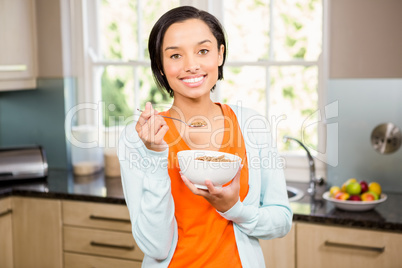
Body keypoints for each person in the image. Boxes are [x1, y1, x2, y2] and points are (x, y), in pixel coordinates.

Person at [118, 6, 292, 268]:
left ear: (220, 54)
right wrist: (155, 156)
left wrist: (233, 208)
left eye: (203, 51)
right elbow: (155, 246)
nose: (191, 65)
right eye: (175, 55)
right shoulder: (140, 136)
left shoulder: (251, 125)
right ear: (161, 66)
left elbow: (281, 221)